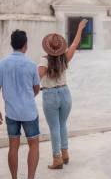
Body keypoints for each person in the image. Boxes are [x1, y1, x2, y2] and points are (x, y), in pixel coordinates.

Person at [0, 29, 46, 179]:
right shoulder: (31, 64)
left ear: (11, 44)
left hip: (11, 112)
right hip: (29, 111)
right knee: (34, 144)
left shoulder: (2, 64)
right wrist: (29, 96)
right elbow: (36, 88)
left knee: (13, 146)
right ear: (25, 45)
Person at [38, 19, 88, 170]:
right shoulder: (65, 58)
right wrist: (79, 29)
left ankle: (57, 158)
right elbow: (74, 44)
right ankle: (65, 153)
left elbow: (37, 78)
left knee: (54, 127)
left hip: (50, 95)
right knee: (62, 124)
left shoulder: (44, 60)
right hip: (65, 93)